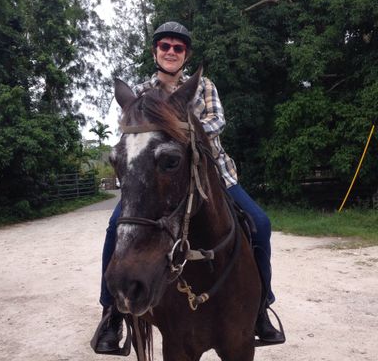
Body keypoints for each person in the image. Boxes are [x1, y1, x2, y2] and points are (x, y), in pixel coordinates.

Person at [93, 21, 285, 354]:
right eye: (165, 46)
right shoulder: (141, 91)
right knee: (114, 229)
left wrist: (177, 130)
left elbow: (216, 121)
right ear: (155, 51)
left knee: (261, 224)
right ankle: (112, 313)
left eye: (178, 47)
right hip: (154, 178)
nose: (171, 51)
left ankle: (261, 306)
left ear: (186, 54)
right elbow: (132, 133)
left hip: (215, 174)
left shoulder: (204, 86)